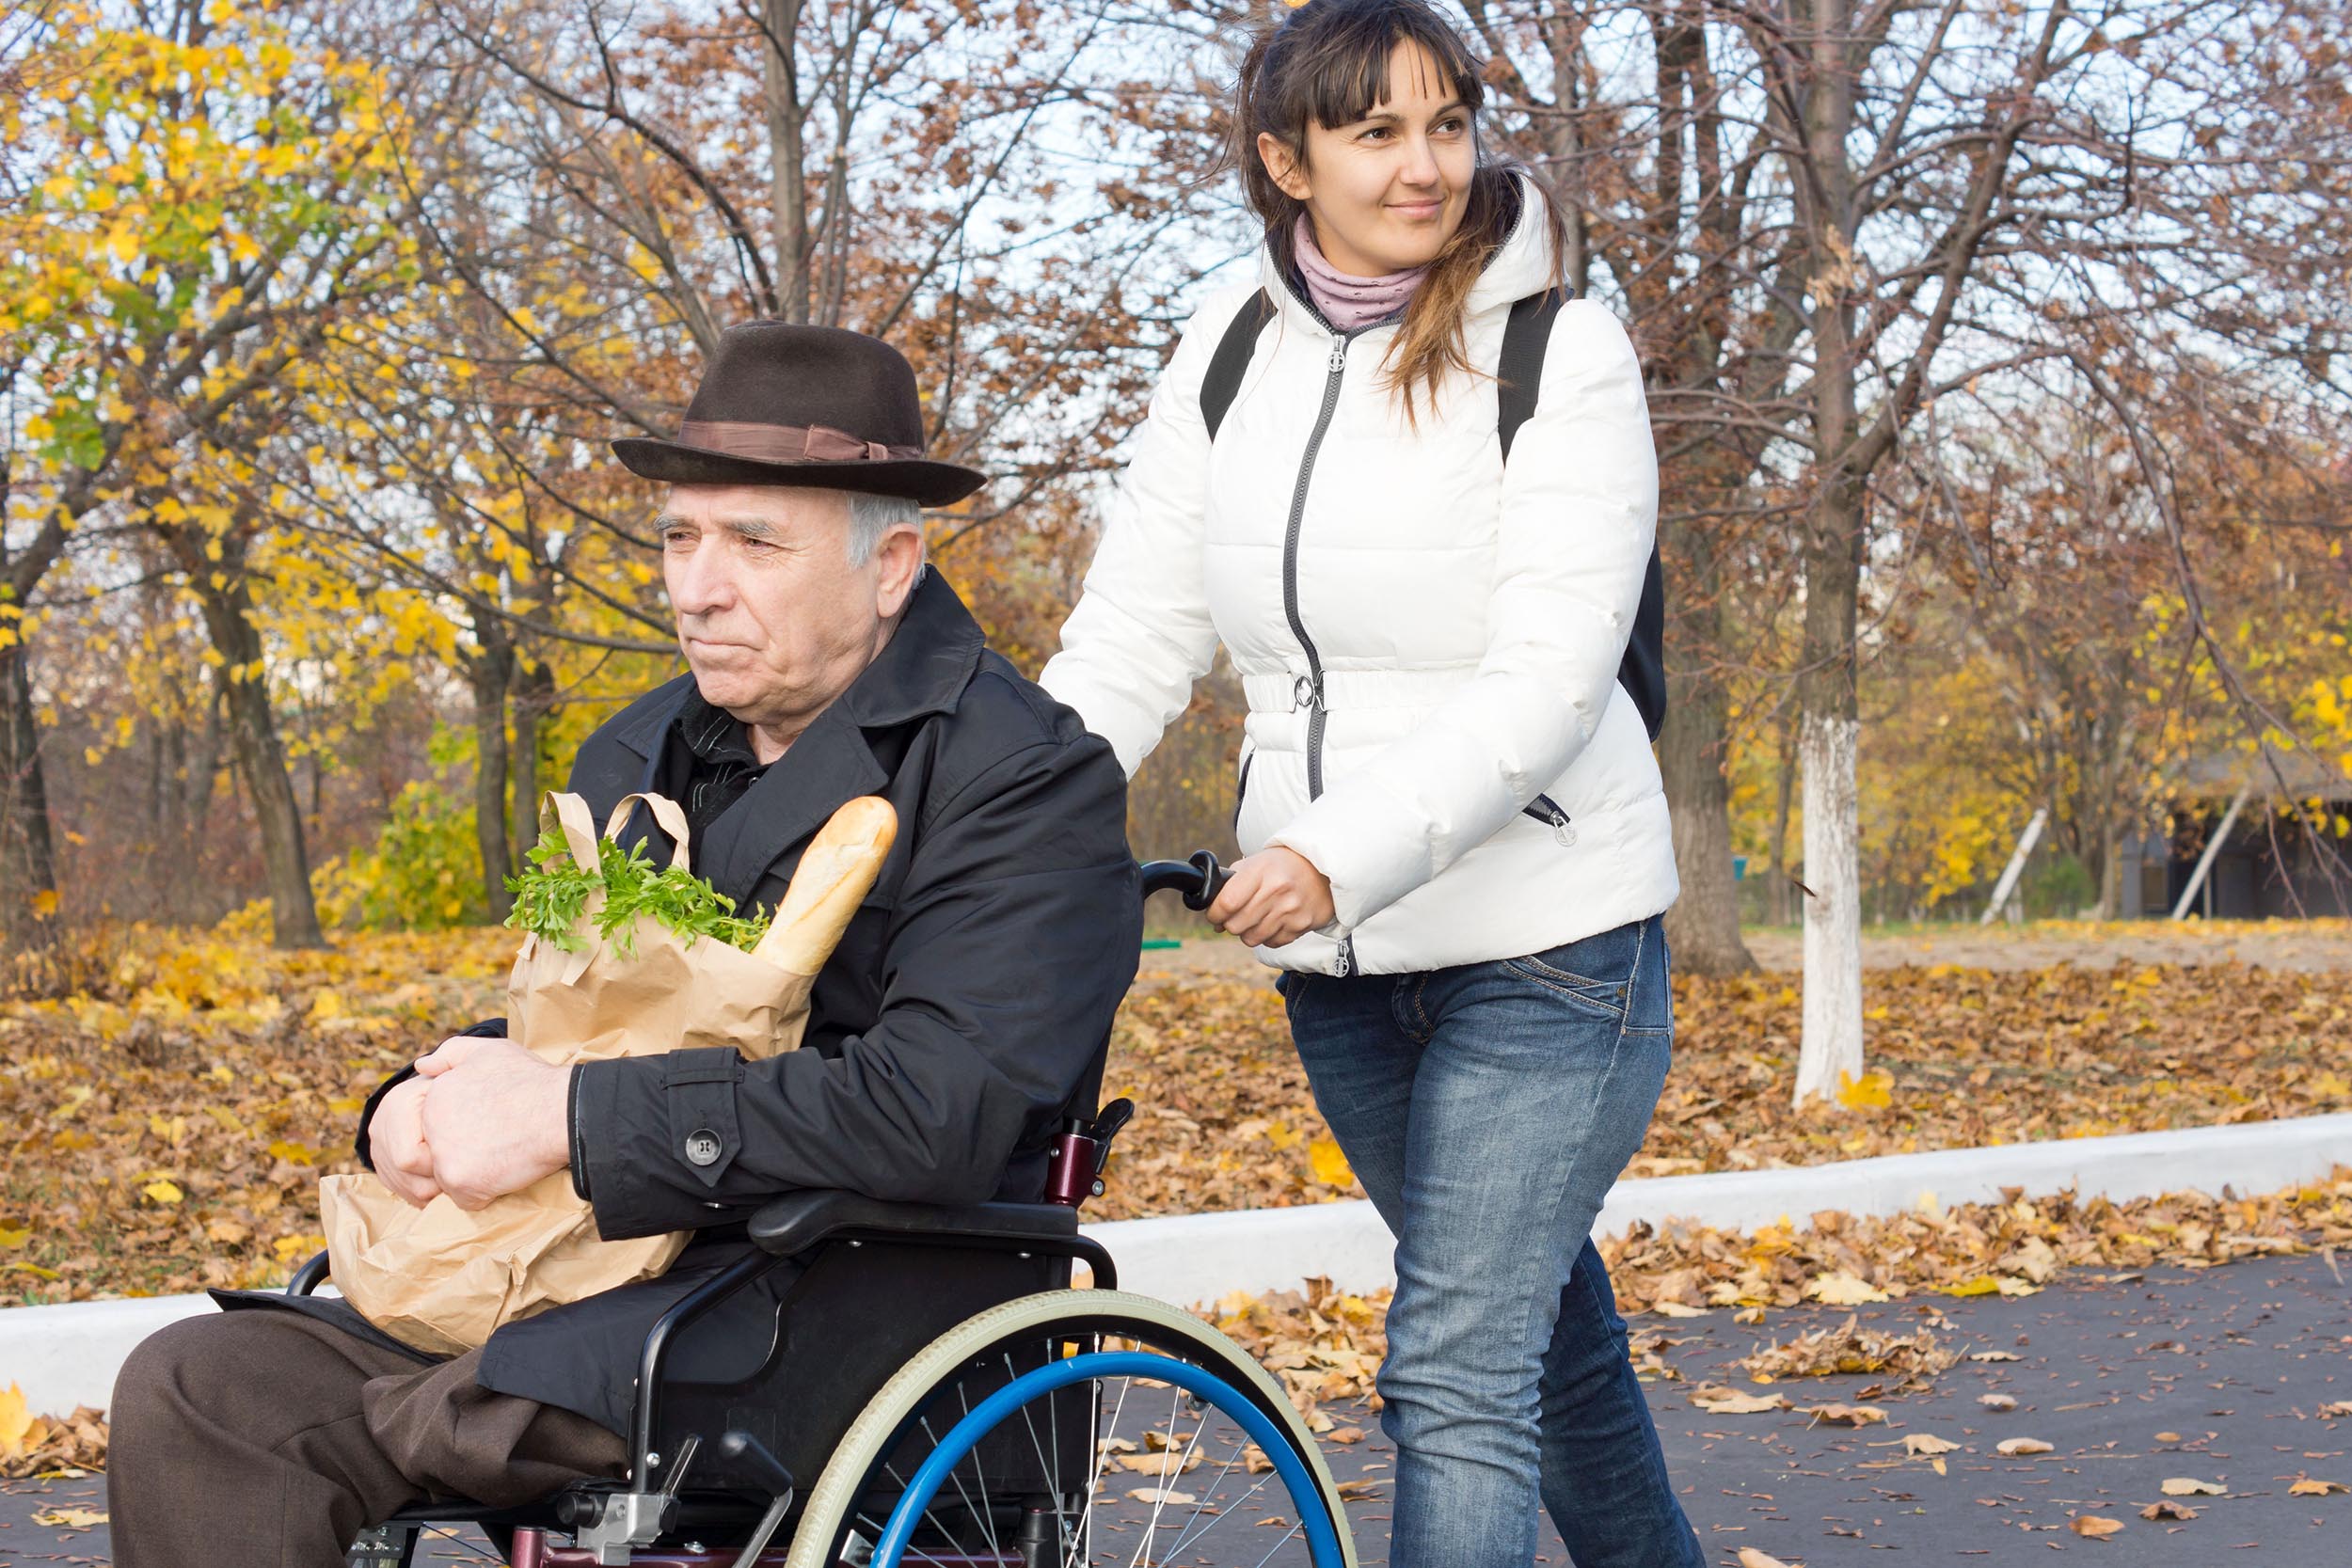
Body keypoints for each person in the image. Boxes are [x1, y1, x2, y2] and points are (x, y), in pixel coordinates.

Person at [106, 323, 1142, 1568]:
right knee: (200, 1387)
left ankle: (449, 1405)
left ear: (893, 567)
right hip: (564, 1264)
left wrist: (573, 1122)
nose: (696, 587)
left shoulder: (1023, 777)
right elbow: (573, 1024)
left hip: (831, 1296)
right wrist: (420, 1104)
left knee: (473, 1402)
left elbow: (940, 1106)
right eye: (678, 537)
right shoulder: (637, 754)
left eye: (754, 542)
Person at [1038, 2, 1698, 1562]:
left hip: (1554, 946)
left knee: (1457, 1370)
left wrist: (1332, 850)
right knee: (1546, 1336)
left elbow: (1554, 675)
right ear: (1288, 159)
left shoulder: (1559, 350)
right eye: (1379, 131)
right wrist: (994, 815)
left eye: (1450, 123)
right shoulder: (1232, 350)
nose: (1429, 165)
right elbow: (1136, 631)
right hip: (1344, 968)